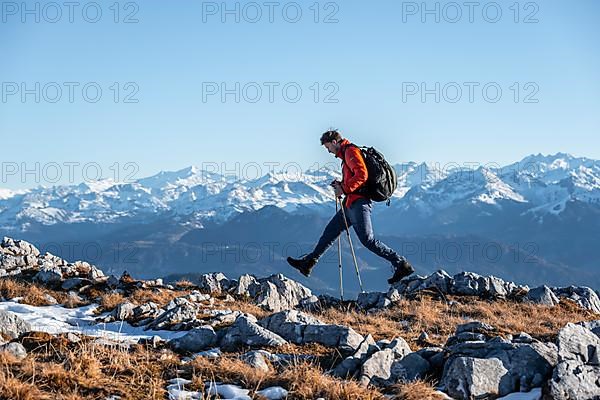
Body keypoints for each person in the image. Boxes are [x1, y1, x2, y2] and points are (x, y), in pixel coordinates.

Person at [287, 130, 415, 284]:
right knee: (330, 232)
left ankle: (401, 264)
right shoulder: (347, 154)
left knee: (368, 240)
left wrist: (344, 189)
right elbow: (356, 178)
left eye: (328, 147)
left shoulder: (350, 152)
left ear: (334, 142)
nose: (328, 151)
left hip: (359, 204)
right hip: (351, 204)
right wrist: (341, 185)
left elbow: (362, 175)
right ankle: (308, 263)